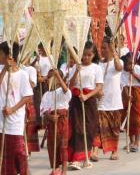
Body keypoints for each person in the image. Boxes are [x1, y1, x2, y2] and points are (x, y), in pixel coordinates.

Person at [0, 42, 32, 175]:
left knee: (18, 155)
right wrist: (4, 70)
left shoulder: (23, 74)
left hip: (14, 122)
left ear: (9, 56)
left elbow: (27, 97)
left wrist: (12, 109)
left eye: (0, 54)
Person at [67, 42, 103, 170]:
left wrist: (87, 96)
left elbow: (99, 86)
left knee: (88, 129)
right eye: (84, 55)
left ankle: (86, 157)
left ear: (93, 55)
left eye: (89, 55)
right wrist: (76, 72)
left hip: (89, 101)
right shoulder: (75, 67)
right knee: (77, 129)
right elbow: (70, 85)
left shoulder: (96, 68)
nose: (86, 58)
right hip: (76, 100)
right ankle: (76, 159)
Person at [93, 37, 123, 161]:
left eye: (105, 48)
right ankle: (95, 151)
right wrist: (97, 92)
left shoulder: (118, 61)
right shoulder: (98, 65)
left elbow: (119, 68)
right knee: (98, 127)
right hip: (101, 101)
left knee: (114, 128)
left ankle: (114, 151)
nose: (103, 51)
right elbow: (95, 81)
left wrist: (114, 52)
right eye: (102, 48)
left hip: (114, 101)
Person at [40, 69, 72, 175]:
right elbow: (43, 110)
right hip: (52, 123)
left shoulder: (62, 91)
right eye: (49, 78)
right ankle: (55, 167)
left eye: (52, 78)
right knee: (52, 146)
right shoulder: (46, 95)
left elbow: (67, 92)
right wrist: (49, 116)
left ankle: (64, 170)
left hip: (62, 121)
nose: (50, 80)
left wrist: (58, 76)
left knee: (63, 145)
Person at [121, 53, 140, 152]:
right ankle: (131, 141)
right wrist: (127, 95)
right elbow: (123, 84)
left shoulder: (137, 69)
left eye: (131, 64)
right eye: (127, 64)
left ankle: (136, 142)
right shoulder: (122, 71)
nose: (129, 66)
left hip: (137, 93)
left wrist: (134, 74)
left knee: (136, 119)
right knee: (128, 118)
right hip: (127, 94)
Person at [20, 59, 39, 155]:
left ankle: (28, 148)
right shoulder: (16, 67)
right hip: (18, 97)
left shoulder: (31, 69)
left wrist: (24, 75)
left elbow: (32, 84)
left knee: (29, 123)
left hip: (28, 97)